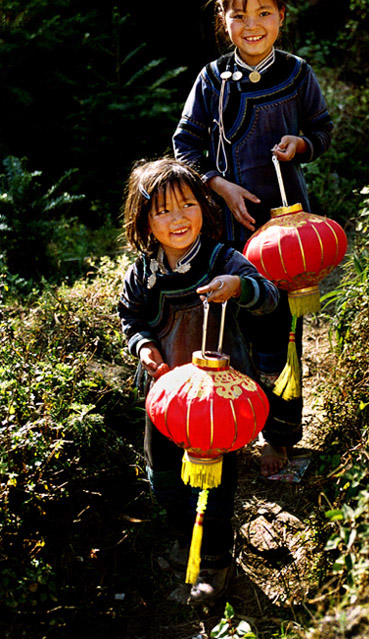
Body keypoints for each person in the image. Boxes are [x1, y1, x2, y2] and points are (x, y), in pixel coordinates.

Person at [173, 0, 333, 476]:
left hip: (286, 236)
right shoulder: (213, 79)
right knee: (227, 330)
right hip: (226, 230)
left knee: (281, 333)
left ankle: (280, 438)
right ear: (224, 20)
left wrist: (301, 143)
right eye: (239, 15)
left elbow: (323, 130)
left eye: (263, 13)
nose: (252, 25)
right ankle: (227, 427)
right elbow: (185, 147)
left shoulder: (297, 73)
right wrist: (218, 185)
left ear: (281, 17)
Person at [117, 157, 279, 605]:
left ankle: (215, 562)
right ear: (145, 221)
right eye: (164, 210)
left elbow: (267, 297)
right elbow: (130, 319)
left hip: (217, 400)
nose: (178, 217)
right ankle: (185, 534)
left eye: (187, 204)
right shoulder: (141, 274)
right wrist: (144, 347)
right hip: (165, 395)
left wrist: (238, 287)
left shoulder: (223, 258)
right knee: (163, 473)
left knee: (215, 483)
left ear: (204, 209)